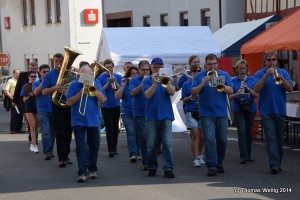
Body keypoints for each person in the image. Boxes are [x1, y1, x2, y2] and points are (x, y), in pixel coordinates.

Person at [191, 53, 233, 176]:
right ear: (206, 65)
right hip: (206, 113)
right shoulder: (200, 76)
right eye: (210, 64)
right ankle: (212, 166)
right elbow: (193, 92)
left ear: (217, 64)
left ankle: (219, 163)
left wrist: (222, 85)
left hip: (221, 113)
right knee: (209, 140)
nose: (212, 66)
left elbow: (231, 90)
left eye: (214, 64)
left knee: (222, 141)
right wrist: (202, 83)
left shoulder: (224, 75)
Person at [253, 50, 293, 174]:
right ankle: (274, 164)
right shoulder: (260, 73)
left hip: (280, 110)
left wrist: (281, 78)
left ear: (277, 60)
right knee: (271, 138)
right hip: (266, 111)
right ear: (265, 61)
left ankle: (278, 162)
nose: (271, 62)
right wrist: (266, 76)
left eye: (273, 60)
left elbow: (290, 89)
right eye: (269, 60)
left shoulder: (283, 73)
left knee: (279, 139)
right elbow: (256, 89)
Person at [66, 65, 107, 183]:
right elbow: (68, 102)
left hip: (93, 120)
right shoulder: (74, 85)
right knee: (81, 147)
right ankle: (82, 172)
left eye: (89, 75)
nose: (87, 77)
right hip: (78, 120)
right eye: (84, 75)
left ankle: (92, 168)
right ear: (80, 75)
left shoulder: (96, 83)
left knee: (94, 146)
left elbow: (103, 100)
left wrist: (94, 88)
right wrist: (81, 93)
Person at [143, 57, 176, 178]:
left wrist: (165, 82)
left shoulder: (168, 79)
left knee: (167, 143)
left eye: (159, 66)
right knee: (151, 144)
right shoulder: (147, 80)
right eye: (155, 67)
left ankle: (168, 168)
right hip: (151, 116)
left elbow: (172, 92)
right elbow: (147, 95)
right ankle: (152, 166)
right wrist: (155, 83)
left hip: (166, 115)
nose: (157, 69)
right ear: (151, 68)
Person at [42, 53, 73, 167]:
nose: (59, 64)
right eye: (56, 61)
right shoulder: (49, 75)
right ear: (53, 62)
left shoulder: (69, 73)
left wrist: (68, 91)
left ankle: (67, 154)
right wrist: (54, 88)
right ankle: (62, 158)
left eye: (61, 61)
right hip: (56, 105)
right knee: (59, 132)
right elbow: (44, 91)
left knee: (68, 132)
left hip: (68, 104)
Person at [229, 59, 258, 164]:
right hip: (238, 108)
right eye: (240, 68)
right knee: (241, 132)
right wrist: (237, 93)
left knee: (248, 132)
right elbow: (230, 97)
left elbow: (257, 95)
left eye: (244, 68)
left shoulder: (252, 79)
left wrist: (248, 89)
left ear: (247, 69)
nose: (242, 70)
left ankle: (249, 154)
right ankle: (243, 156)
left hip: (250, 107)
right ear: (237, 70)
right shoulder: (233, 81)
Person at [96, 59, 122, 157]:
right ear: (104, 68)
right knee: (109, 127)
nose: (109, 69)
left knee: (115, 128)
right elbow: (100, 91)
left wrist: (115, 82)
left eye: (110, 67)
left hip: (116, 105)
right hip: (106, 106)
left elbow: (122, 89)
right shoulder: (100, 78)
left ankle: (114, 147)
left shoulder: (118, 76)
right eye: (107, 67)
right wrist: (108, 83)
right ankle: (111, 149)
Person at [181, 62, 205, 167]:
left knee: (202, 136)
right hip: (190, 110)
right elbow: (184, 99)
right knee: (195, 134)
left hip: (202, 110)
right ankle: (196, 158)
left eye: (198, 71)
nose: (196, 73)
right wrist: (192, 95)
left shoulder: (204, 82)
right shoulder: (186, 84)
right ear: (191, 72)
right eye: (194, 71)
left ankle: (200, 155)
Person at [130, 60, 151, 170]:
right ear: (139, 70)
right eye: (143, 70)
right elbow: (132, 93)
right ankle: (146, 162)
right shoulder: (134, 80)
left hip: (151, 112)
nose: (145, 72)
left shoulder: (153, 79)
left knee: (151, 138)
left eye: (147, 69)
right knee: (143, 137)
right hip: (139, 112)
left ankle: (150, 160)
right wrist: (143, 83)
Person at [115, 66, 139, 162]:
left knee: (139, 133)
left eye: (135, 74)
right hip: (127, 112)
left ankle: (139, 152)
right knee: (131, 132)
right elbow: (117, 96)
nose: (133, 76)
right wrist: (123, 86)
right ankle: (133, 153)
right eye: (131, 74)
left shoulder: (141, 82)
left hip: (139, 111)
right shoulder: (125, 83)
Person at [33, 64, 55, 160]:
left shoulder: (52, 82)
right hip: (42, 110)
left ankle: (50, 150)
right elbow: (35, 92)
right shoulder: (37, 82)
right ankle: (46, 151)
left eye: (47, 72)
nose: (46, 73)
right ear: (40, 72)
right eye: (44, 72)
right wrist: (44, 82)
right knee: (45, 131)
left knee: (52, 132)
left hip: (53, 109)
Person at [12, 62, 39, 134]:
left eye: (34, 69)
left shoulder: (41, 74)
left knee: (36, 122)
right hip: (26, 102)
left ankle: (33, 133)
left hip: (38, 101)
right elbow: (18, 87)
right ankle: (32, 135)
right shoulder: (23, 75)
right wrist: (14, 100)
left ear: (37, 69)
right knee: (30, 121)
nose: (32, 70)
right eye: (31, 68)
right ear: (28, 68)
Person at [20, 71, 39, 153]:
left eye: (35, 76)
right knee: (32, 126)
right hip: (28, 106)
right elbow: (24, 99)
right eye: (32, 76)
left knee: (36, 126)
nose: (33, 78)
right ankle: (34, 145)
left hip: (37, 106)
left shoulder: (38, 84)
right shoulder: (25, 86)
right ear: (28, 77)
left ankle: (32, 143)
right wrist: (29, 95)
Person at [4, 69, 20, 134]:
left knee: (20, 114)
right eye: (16, 73)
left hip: (20, 99)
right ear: (13, 74)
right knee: (14, 114)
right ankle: (12, 129)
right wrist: (12, 98)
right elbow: (6, 91)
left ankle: (18, 129)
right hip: (13, 98)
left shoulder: (19, 81)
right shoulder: (10, 81)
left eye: (19, 73)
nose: (18, 74)